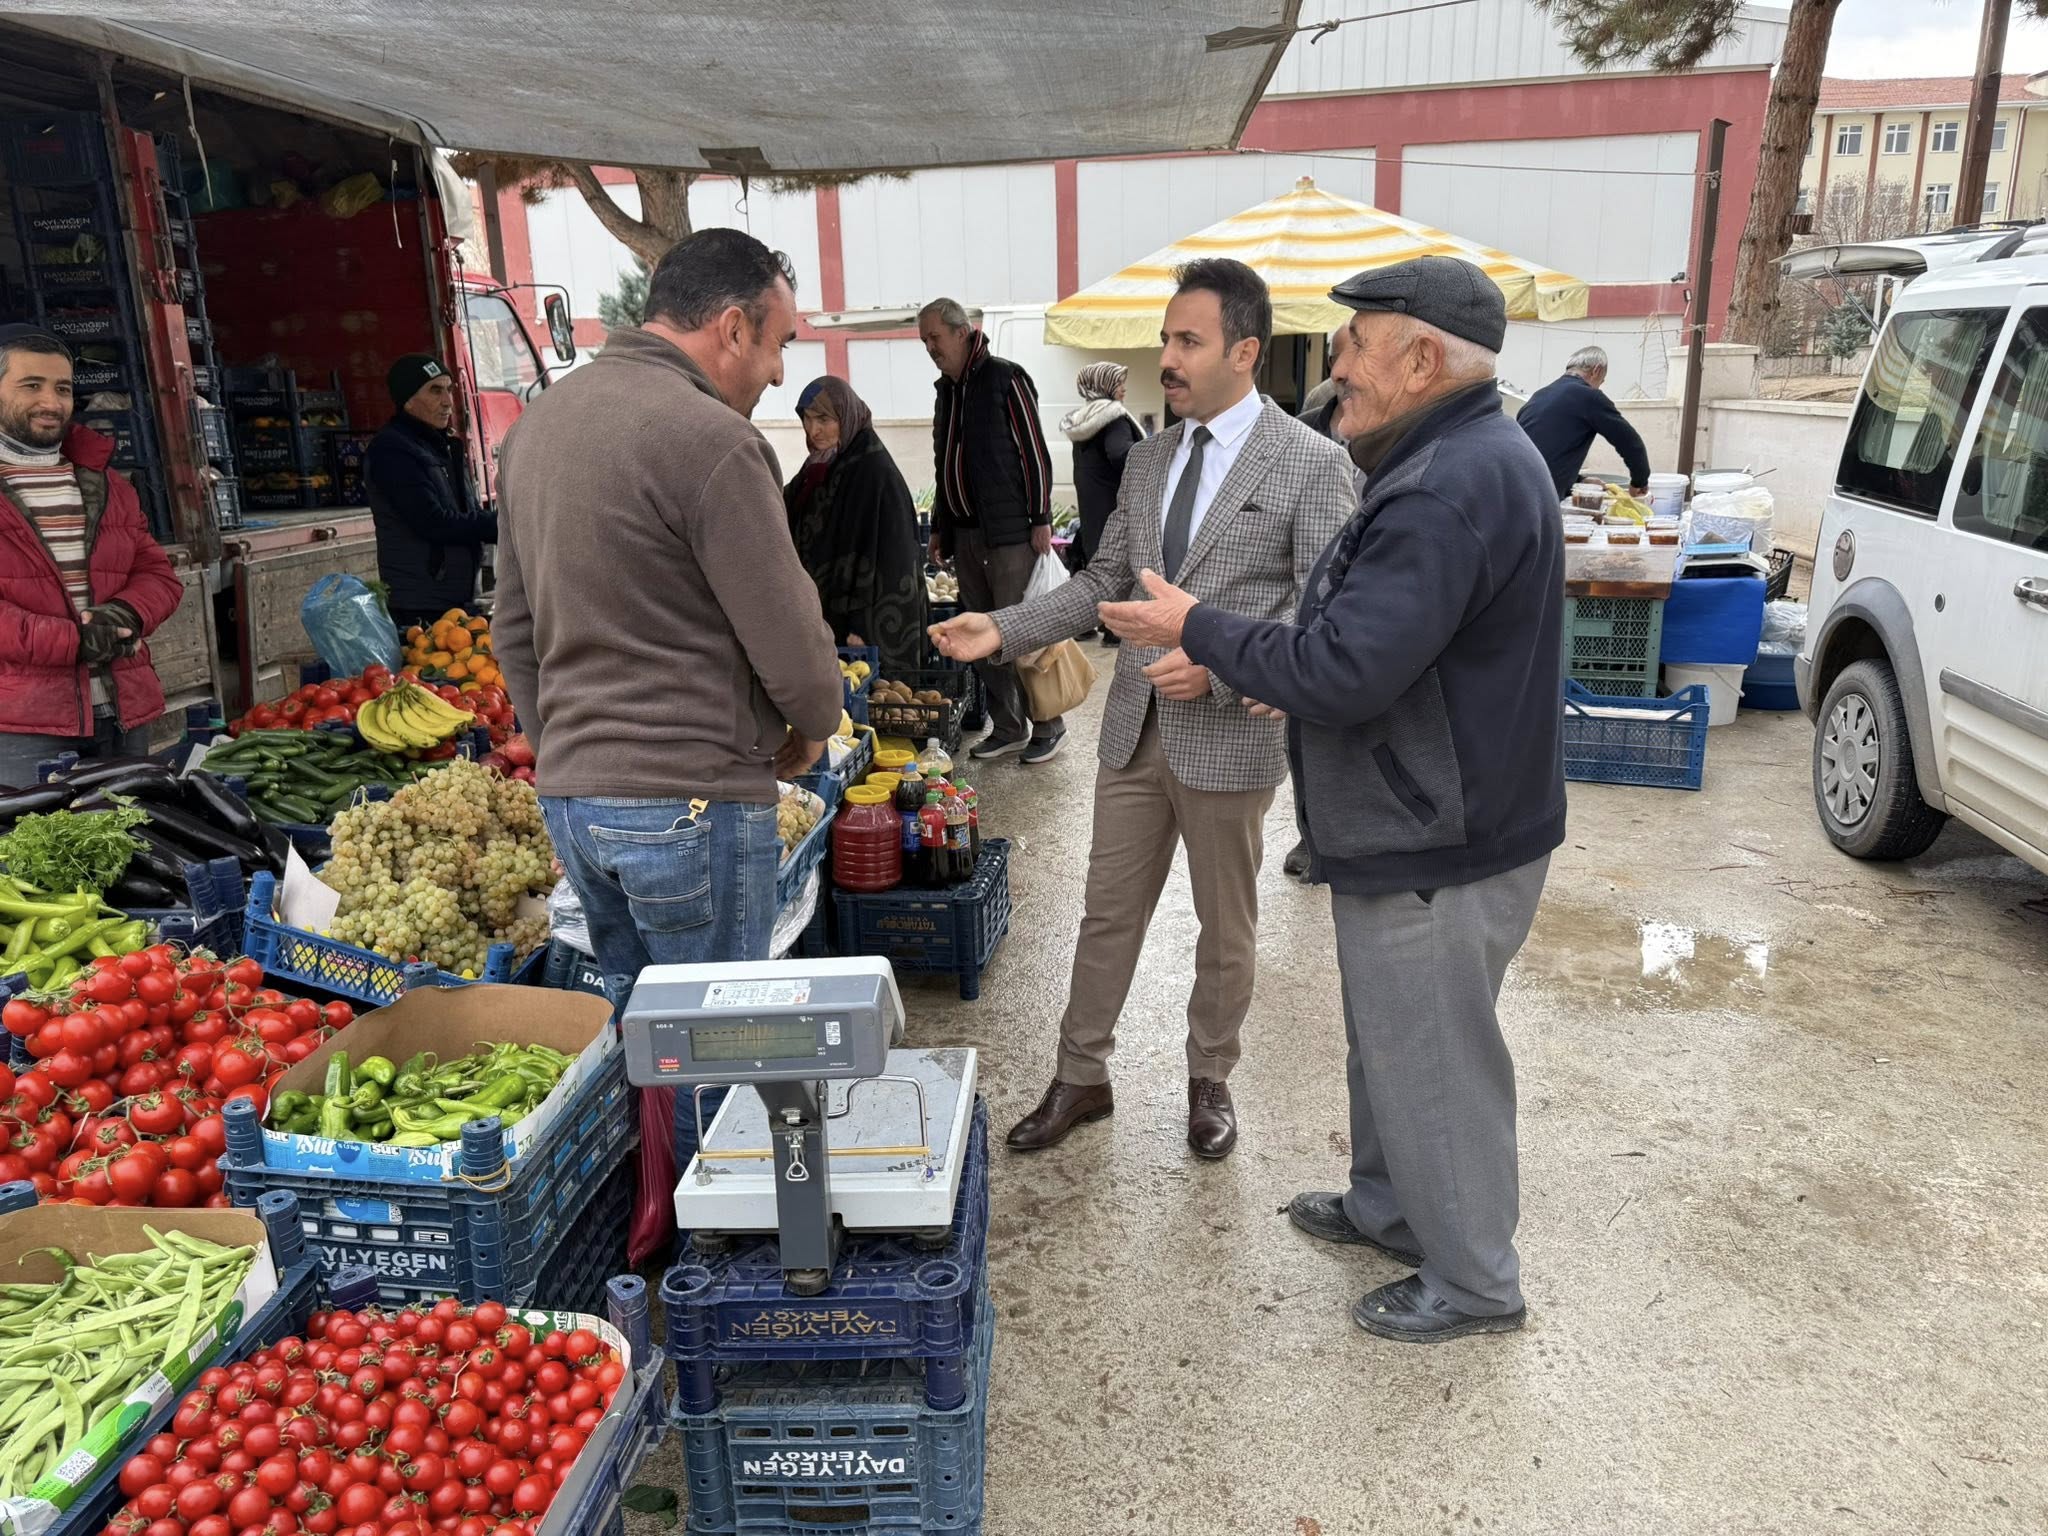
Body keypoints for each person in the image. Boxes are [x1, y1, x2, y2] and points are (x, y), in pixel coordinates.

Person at [1099, 256, 1566, 1342]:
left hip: (1439, 834)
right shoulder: (1447, 457)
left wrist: (1202, 630)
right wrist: (1275, 650)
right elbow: (1350, 636)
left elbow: (1347, 667)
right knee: (1389, 1037)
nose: (1336, 367)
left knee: (1434, 1056)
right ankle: (1387, 1205)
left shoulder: (1449, 484)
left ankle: (1472, 1281)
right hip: (1420, 818)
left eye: (1355, 345)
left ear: (1419, 356)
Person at [933, 258, 1353, 1161]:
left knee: (1225, 924)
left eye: (1187, 341)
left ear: (1246, 351)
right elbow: (1101, 582)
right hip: (1133, 730)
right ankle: (1081, 1076)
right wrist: (1000, 630)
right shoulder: (1153, 456)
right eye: (1165, 337)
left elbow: (1318, 615)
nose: (1167, 356)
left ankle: (1211, 1080)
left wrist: (1227, 665)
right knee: (1106, 913)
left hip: (1232, 736)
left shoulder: (1315, 465)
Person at [493, 227, 842, 990]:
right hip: (690, 802)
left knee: (644, 1035)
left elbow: (513, 630)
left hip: (576, 806)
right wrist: (815, 722)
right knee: (715, 1054)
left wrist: (570, 758)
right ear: (733, 327)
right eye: (779, 344)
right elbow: (789, 640)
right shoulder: (716, 442)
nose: (781, 374)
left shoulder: (535, 430)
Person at [0, 325, 182, 787]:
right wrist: (74, 641)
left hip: (122, 711)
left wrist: (123, 615)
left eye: (63, 388)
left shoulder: (106, 484)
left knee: (139, 848)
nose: (51, 401)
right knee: (38, 855)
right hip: (23, 726)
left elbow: (156, 572)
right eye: (31, 385)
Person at [918, 298, 1063, 764]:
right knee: (980, 638)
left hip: (1010, 534)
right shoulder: (946, 390)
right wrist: (941, 526)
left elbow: (1034, 452)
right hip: (965, 533)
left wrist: (1040, 517)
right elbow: (945, 467)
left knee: (1022, 632)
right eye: (924, 341)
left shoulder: (1006, 378)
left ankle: (1048, 724)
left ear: (961, 333)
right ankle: (1007, 726)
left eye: (934, 338)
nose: (929, 348)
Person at [785, 376, 927, 676]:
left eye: (824, 419)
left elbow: (887, 555)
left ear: (846, 415)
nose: (813, 430)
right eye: (807, 419)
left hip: (869, 619)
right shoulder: (825, 463)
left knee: (874, 698)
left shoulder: (871, 471)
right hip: (835, 612)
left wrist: (861, 623)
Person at [365, 353, 497, 632]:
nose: (448, 400)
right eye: (435, 390)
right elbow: (432, 522)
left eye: (449, 389)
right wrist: (503, 524)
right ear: (408, 399)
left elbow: (466, 514)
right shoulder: (393, 450)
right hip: (420, 606)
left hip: (456, 599)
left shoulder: (445, 445)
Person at [1059, 362, 1143, 649]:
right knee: (1120, 565)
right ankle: (1115, 628)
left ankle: (1090, 624)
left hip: (1092, 503)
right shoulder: (1114, 418)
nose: (1123, 387)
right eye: (1118, 382)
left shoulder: (1084, 420)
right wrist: (1150, 458)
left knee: (1097, 563)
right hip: (1114, 503)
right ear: (1104, 386)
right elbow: (1120, 453)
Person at [1516, 345, 1651, 498]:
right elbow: (1630, 442)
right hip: (1544, 497)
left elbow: (1545, 453)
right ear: (1596, 370)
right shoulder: (1589, 397)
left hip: (1517, 489)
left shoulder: (1539, 396)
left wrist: (1579, 480)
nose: (1600, 386)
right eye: (1602, 381)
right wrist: (1639, 482)